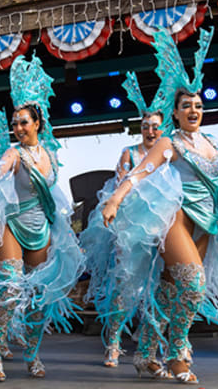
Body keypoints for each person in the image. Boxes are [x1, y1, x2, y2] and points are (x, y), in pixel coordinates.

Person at [101, 27, 218, 384]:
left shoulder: (211, 144)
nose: (194, 110)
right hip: (176, 219)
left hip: (206, 221)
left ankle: (145, 353)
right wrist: (116, 198)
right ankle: (179, 354)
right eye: (187, 107)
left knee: (169, 292)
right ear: (176, 114)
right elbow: (140, 171)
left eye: (198, 105)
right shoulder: (169, 142)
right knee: (193, 285)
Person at [0, 53, 85, 382]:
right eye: (14, 123)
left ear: (37, 124)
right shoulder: (14, 152)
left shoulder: (51, 156)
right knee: (9, 290)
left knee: (39, 300)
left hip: (40, 228)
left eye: (23, 122)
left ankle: (32, 354)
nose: (17, 128)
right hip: (12, 226)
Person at [81, 70, 166, 369]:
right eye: (146, 127)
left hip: (161, 227)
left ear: (163, 128)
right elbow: (121, 184)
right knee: (124, 285)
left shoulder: (168, 153)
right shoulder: (129, 152)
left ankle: (150, 344)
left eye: (156, 127)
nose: (151, 132)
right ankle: (114, 343)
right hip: (130, 226)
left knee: (158, 287)